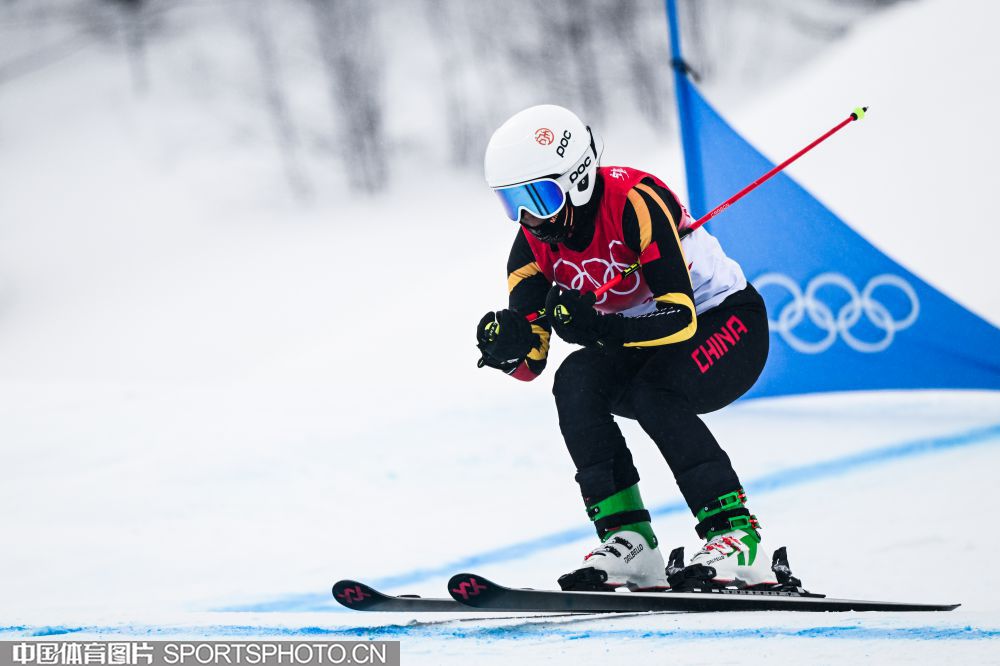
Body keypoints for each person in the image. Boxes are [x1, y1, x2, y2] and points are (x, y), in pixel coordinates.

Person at [475, 104, 775, 591]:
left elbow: (680, 318)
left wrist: (596, 326)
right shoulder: (529, 249)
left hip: (726, 321)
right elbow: (532, 363)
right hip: (644, 341)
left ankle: (739, 539)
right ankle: (630, 542)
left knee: (656, 393)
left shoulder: (636, 200)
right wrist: (507, 348)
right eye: (513, 203)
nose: (530, 218)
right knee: (574, 380)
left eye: (540, 197)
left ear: (578, 179)